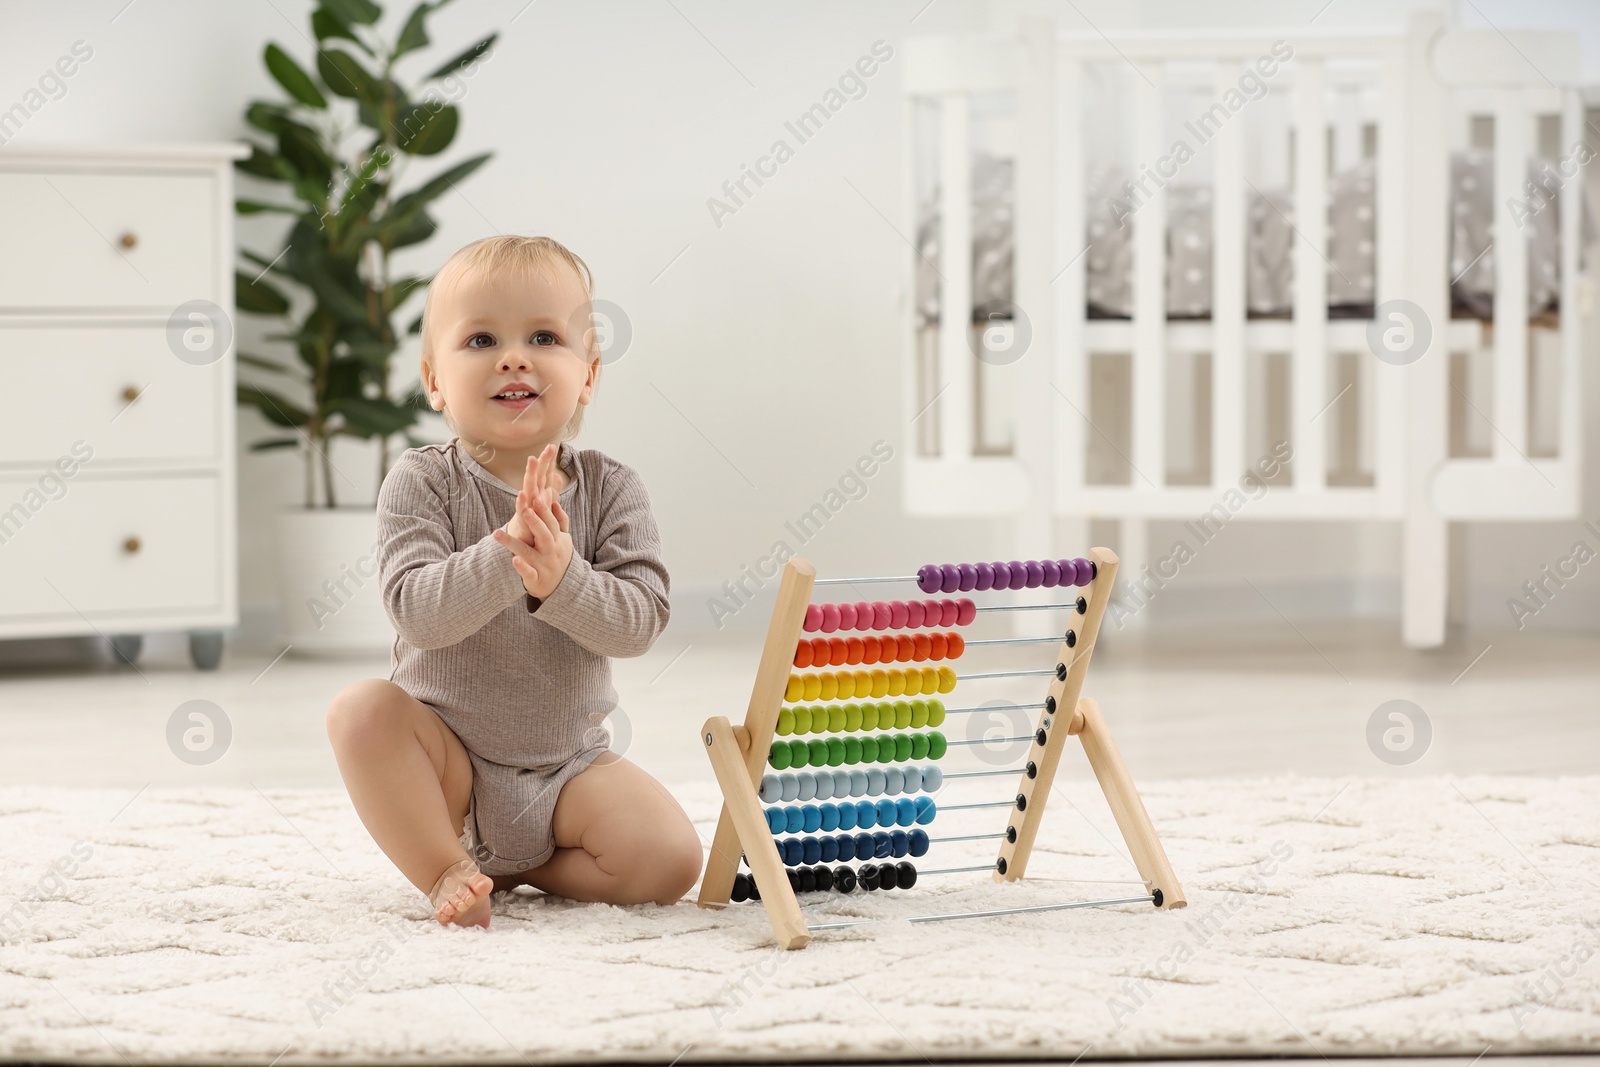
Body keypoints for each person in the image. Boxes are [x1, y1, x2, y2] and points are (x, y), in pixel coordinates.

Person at [325, 234, 702, 928]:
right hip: (450, 768)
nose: (514, 356)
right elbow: (416, 612)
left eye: (543, 336)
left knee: (672, 858)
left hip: (568, 769)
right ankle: (445, 864)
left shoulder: (612, 488)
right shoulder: (421, 481)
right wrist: (506, 556)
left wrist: (563, 579)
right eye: (479, 340)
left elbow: (642, 619)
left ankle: (528, 866)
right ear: (434, 379)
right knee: (361, 712)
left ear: (587, 375)